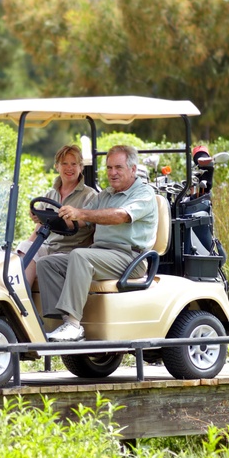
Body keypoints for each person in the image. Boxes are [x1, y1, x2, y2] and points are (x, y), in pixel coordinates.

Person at [36, 144, 158, 342]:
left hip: (130, 258)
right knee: (47, 264)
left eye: (118, 168)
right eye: (109, 168)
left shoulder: (143, 194)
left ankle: (74, 325)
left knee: (80, 255)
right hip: (102, 253)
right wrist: (45, 218)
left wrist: (80, 212)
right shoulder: (105, 195)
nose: (113, 173)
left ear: (133, 169)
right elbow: (81, 220)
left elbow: (120, 216)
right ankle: (64, 322)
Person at [19, 144, 97, 287]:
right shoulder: (51, 194)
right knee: (24, 247)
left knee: (48, 261)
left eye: (74, 164)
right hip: (50, 247)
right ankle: (21, 299)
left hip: (72, 250)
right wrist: (38, 220)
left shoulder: (90, 195)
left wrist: (49, 219)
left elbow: (81, 222)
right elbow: (39, 229)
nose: (69, 168)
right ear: (57, 166)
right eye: (64, 164)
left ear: (81, 167)